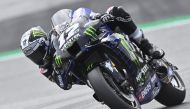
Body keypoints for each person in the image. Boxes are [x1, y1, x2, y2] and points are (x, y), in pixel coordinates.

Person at [20, 6, 164, 90]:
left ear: (44, 43)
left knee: (115, 11)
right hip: (88, 74)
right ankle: (111, 87)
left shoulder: (56, 36)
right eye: (33, 57)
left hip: (93, 40)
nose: (37, 58)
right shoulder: (45, 68)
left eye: (37, 53)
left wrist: (98, 18)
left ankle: (146, 46)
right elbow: (65, 85)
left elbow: (79, 15)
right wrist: (59, 69)